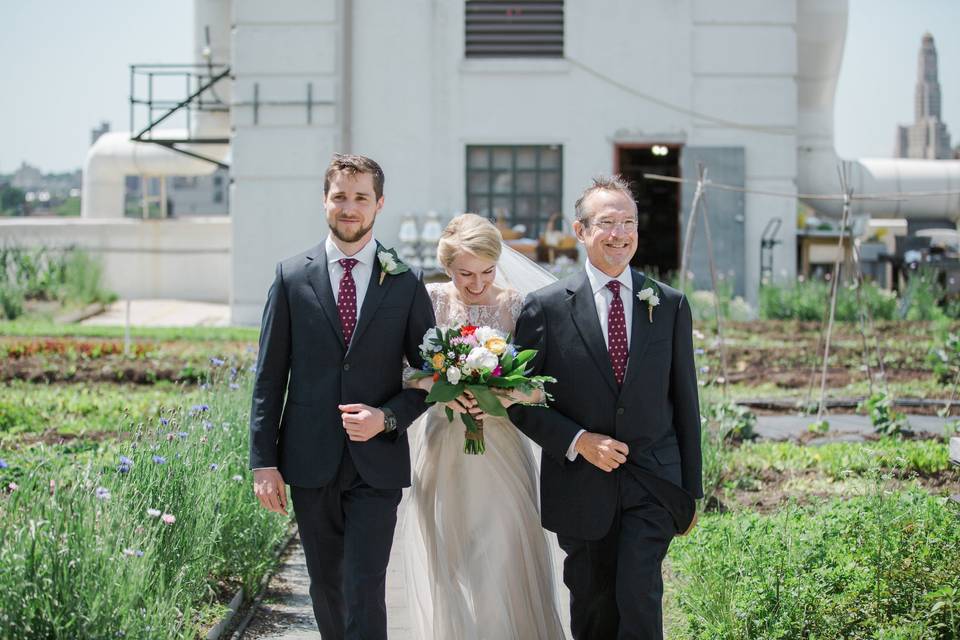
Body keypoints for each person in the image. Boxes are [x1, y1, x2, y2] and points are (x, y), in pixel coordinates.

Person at [248, 153, 435, 640]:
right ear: (325, 201)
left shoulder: (407, 281)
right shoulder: (291, 278)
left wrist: (387, 418)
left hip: (377, 461)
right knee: (326, 585)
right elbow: (269, 377)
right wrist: (263, 462)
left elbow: (430, 377)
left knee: (365, 583)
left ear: (379, 204)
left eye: (360, 198)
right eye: (340, 198)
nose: (349, 208)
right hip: (310, 459)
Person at [507, 176, 703, 640]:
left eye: (628, 222)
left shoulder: (669, 305)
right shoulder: (545, 309)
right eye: (607, 223)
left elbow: (686, 401)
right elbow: (519, 402)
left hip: (653, 482)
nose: (619, 233)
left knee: (639, 599)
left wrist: (690, 491)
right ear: (580, 230)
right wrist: (578, 441)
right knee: (594, 610)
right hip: (580, 486)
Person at [402, 213, 567, 639]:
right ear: (447, 267)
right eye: (464, 274)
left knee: (499, 558)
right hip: (442, 445)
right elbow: (406, 372)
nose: (476, 284)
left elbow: (541, 387)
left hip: (499, 447)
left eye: (486, 272)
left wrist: (504, 395)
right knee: (448, 559)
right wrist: (441, 383)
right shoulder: (430, 300)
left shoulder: (517, 304)